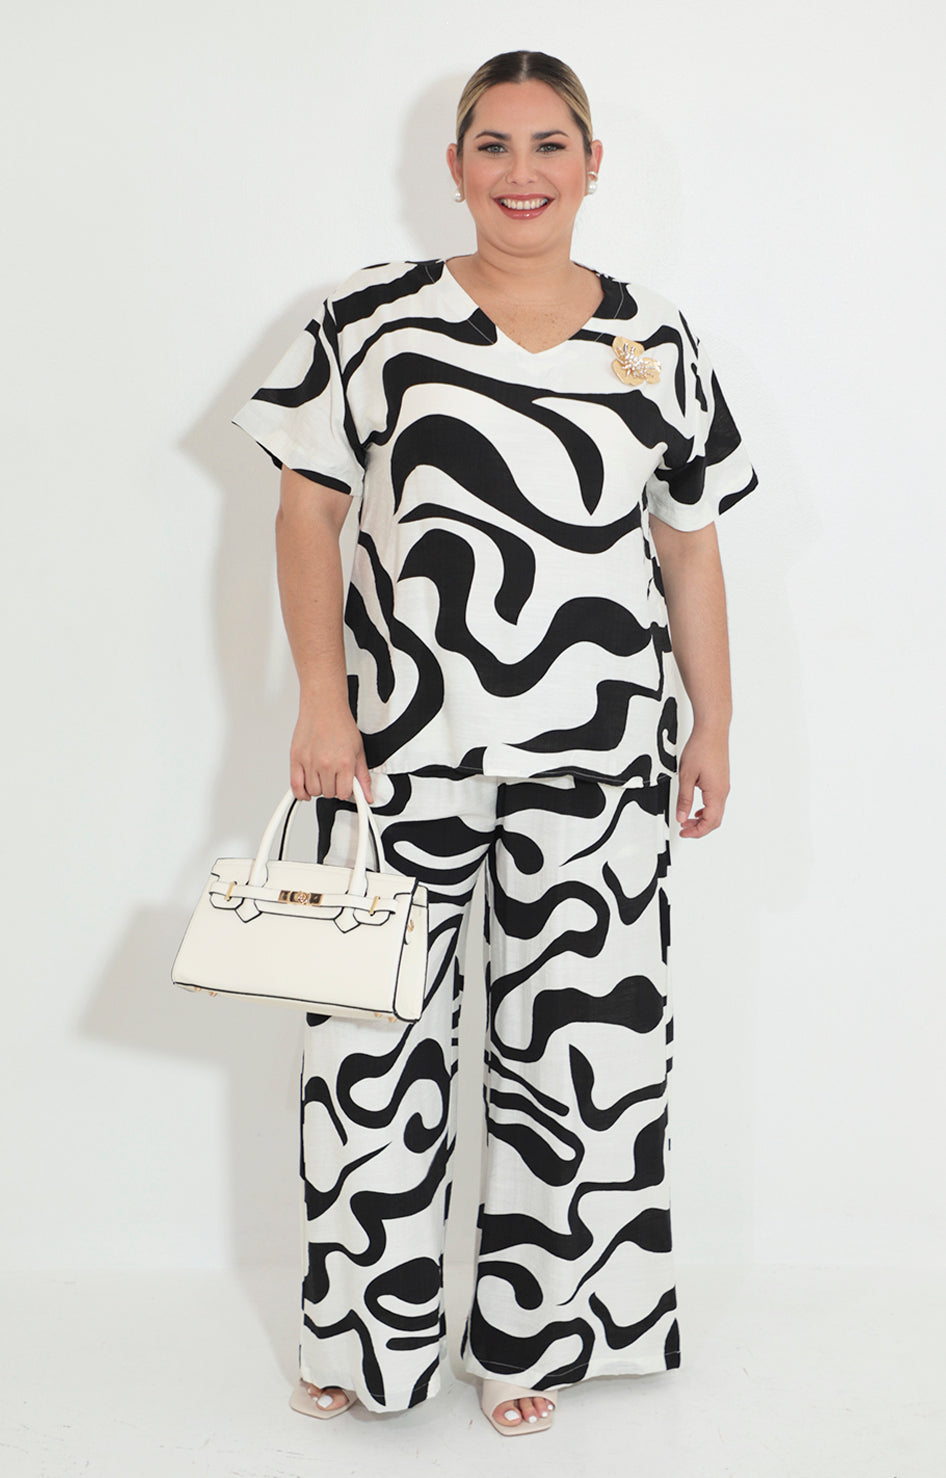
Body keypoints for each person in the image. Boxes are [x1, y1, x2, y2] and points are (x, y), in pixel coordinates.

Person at [232, 49, 757, 1436]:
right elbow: (304, 510)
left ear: (592, 164)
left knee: (580, 1055)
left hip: (601, 762)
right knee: (370, 1050)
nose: (521, 172)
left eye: (548, 144)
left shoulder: (656, 337)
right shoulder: (368, 319)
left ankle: (535, 1336)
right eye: (493, 146)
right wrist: (322, 699)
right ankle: (363, 1336)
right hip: (394, 751)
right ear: (454, 166)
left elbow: (690, 544)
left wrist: (712, 720)